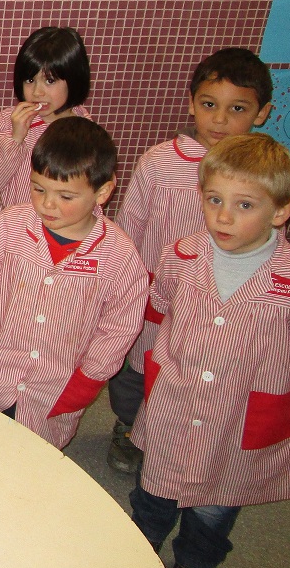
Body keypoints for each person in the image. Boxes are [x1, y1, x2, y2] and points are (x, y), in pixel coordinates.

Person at [130, 134, 290, 568]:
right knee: (153, 488)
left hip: (238, 420)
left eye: (244, 205)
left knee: (215, 505)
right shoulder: (179, 257)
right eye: (214, 200)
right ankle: (138, 549)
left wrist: (274, 383)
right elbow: (162, 305)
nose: (223, 217)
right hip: (175, 404)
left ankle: (195, 563)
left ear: (281, 211)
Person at [107, 48, 274, 474]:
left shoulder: (262, 174)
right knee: (136, 366)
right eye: (209, 104)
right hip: (153, 293)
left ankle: (179, 435)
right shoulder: (160, 162)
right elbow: (129, 226)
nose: (220, 119)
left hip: (217, 303)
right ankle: (129, 426)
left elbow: (271, 245)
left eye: (237, 109)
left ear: (261, 113)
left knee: (194, 370)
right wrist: (121, 284)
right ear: (191, 104)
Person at [0, 117, 147, 447]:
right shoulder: (9, 226)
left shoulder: (120, 255)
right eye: (39, 189)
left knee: (33, 457)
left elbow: (119, 327)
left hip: (55, 388)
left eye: (66, 196)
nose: (47, 204)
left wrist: (89, 379)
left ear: (102, 192)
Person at [0, 26, 92, 208]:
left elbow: (90, 195)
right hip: (9, 223)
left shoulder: (86, 133)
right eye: (30, 80)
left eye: (50, 81)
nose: (37, 92)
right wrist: (15, 139)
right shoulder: (6, 122)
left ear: (74, 79)